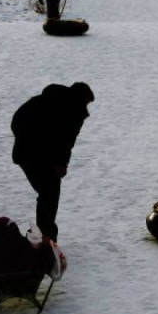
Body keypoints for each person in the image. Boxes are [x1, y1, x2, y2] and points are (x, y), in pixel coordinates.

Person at [11, 82, 94, 242]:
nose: (86, 107)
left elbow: (16, 120)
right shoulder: (73, 111)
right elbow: (67, 140)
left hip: (29, 153)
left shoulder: (44, 99)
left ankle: (42, 234)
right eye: (86, 102)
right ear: (80, 99)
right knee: (49, 191)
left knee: (48, 192)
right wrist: (61, 163)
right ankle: (44, 235)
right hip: (31, 154)